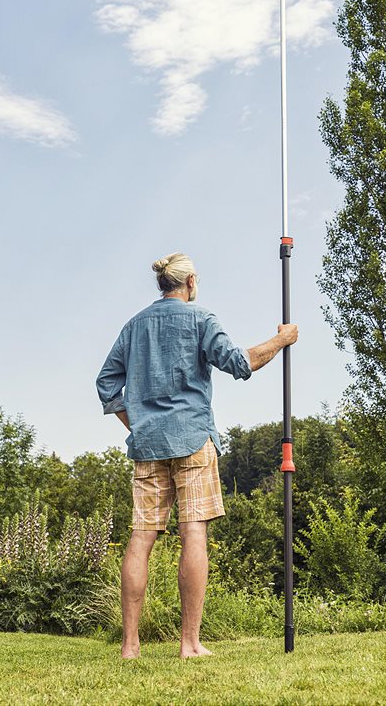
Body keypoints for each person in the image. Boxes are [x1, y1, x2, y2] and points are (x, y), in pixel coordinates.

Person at [96, 252, 298, 659]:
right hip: (192, 440)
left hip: (148, 446)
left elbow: (105, 383)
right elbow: (241, 364)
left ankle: (130, 647)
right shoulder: (201, 319)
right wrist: (282, 338)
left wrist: (136, 424)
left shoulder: (134, 326)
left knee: (141, 537)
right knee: (193, 532)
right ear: (190, 283)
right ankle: (189, 644)